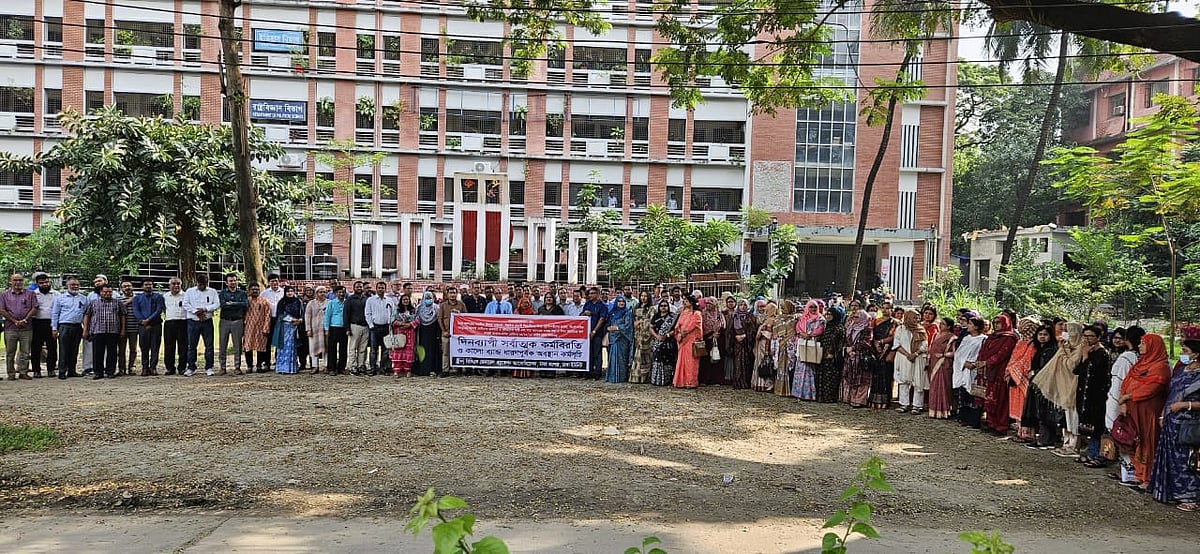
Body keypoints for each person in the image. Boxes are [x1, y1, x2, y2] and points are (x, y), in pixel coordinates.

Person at [1148, 338, 1200, 510]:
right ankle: (1170, 491)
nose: (1182, 354)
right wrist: (1164, 414)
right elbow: (1171, 394)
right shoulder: (1181, 370)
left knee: (1187, 460)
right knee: (1170, 458)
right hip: (1171, 420)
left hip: (1189, 423)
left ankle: (1191, 497)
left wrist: (1186, 405)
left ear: (1196, 354)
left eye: (1185, 351)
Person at [1118, 332, 1171, 492]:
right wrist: (1124, 400)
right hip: (1132, 409)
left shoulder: (1160, 366)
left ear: (1153, 347)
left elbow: (1152, 388)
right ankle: (1138, 474)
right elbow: (1126, 381)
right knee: (1134, 440)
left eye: (1143, 343)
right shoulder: (1141, 363)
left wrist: (1128, 396)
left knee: (1148, 442)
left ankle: (1148, 478)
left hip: (1148, 412)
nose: (1140, 346)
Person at [1033, 322, 1084, 455]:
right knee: (1064, 416)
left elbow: (1071, 365)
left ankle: (1074, 445)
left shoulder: (1080, 348)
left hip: (1072, 385)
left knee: (1073, 416)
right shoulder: (1066, 346)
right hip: (1061, 384)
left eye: (1071, 332)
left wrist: (1063, 351)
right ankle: (1066, 443)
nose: (1068, 334)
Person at [971, 313, 1019, 434]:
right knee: (990, 397)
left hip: (1000, 371)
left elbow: (1002, 354)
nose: (996, 325)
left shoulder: (1010, 338)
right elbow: (983, 350)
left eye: (999, 323)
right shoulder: (992, 337)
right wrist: (980, 362)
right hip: (989, 371)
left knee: (1000, 399)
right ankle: (991, 422)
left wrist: (986, 362)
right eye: (995, 323)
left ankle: (1001, 426)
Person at [1106, 327, 1142, 480]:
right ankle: (1129, 471)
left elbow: (1120, 380)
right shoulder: (1141, 357)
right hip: (1131, 399)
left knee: (1122, 433)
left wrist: (1117, 400)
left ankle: (1129, 471)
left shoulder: (1127, 357)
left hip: (1120, 397)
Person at [1075, 325, 1112, 463]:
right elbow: (1078, 370)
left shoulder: (1102, 353)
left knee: (1096, 426)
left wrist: (1085, 356)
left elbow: (1094, 372)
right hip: (1084, 393)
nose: (1086, 339)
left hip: (1097, 395)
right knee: (1085, 425)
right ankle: (1087, 452)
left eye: (1090, 336)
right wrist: (1084, 355)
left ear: (1097, 337)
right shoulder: (1087, 351)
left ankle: (1095, 454)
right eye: (1084, 336)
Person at [1022, 325, 1061, 450]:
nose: (1042, 337)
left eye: (1045, 334)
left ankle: (1045, 440)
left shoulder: (1050, 350)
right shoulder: (1040, 349)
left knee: (1045, 412)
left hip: (1046, 385)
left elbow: (1048, 368)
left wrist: (1035, 373)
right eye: (1040, 334)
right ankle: (1042, 438)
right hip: (1037, 384)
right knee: (1039, 412)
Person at [1004, 317, 1041, 440]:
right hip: (1014, 378)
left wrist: (1013, 369)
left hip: (1024, 379)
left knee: (1025, 407)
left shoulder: (1034, 344)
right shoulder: (1020, 342)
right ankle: (1020, 431)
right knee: (1016, 405)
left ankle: (1027, 434)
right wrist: (1010, 370)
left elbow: (1027, 361)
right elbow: (1013, 357)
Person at [81, 283, 125, 380]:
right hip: (97, 331)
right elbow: (87, 316)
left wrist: (122, 330)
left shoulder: (118, 303)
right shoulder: (93, 302)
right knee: (97, 353)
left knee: (112, 353)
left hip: (113, 331)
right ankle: (98, 372)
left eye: (110, 292)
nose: (108, 294)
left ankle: (110, 372)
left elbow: (122, 316)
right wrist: (85, 329)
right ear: (101, 292)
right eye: (105, 292)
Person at [1, 273, 37, 380]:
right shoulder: (4, 295)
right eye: (15, 280)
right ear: (10, 281)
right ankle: (11, 373)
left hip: (26, 328)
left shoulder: (30, 294)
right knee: (10, 352)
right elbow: (2, 310)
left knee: (25, 352)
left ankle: (23, 372)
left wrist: (24, 320)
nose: (18, 282)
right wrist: (15, 321)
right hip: (10, 328)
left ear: (23, 281)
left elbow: (34, 307)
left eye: (20, 280)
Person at [893, 309, 929, 414]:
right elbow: (897, 344)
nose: (917, 319)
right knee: (903, 381)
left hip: (917, 358)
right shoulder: (900, 329)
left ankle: (917, 406)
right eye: (914, 317)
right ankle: (904, 404)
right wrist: (907, 354)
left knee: (918, 382)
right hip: (903, 358)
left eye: (918, 317)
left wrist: (915, 354)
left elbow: (924, 345)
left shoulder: (921, 330)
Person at [183, 274, 219, 377]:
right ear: (196, 283)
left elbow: (216, 304)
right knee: (191, 345)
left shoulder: (212, 291)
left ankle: (209, 367)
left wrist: (205, 309)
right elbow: (186, 304)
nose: (202, 286)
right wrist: (196, 312)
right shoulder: (190, 291)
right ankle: (191, 367)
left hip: (207, 321)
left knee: (209, 345)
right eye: (200, 284)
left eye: (204, 284)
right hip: (193, 321)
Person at [51, 277, 87, 379]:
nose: (75, 286)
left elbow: (85, 314)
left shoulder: (83, 298)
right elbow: (55, 314)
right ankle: (62, 371)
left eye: (77, 285)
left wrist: (85, 328)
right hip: (64, 326)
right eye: (72, 285)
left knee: (74, 350)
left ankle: (72, 370)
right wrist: (54, 328)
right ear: (67, 285)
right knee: (63, 350)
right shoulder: (60, 298)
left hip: (77, 327)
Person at [951, 316, 986, 420]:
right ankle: (963, 417)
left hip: (975, 369)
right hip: (964, 368)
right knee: (964, 392)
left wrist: (974, 364)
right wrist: (964, 362)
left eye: (970, 324)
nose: (968, 326)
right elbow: (959, 353)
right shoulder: (966, 338)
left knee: (973, 394)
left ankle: (973, 418)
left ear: (976, 326)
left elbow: (982, 354)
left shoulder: (983, 339)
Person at [840, 308, 875, 408]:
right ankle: (851, 399)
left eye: (857, 317)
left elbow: (866, 342)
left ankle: (860, 401)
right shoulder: (851, 327)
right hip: (851, 357)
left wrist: (854, 348)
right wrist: (848, 349)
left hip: (862, 357)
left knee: (862, 380)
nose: (855, 318)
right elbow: (847, 340)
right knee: (851, 378)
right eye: (854, 316)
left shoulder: (867, 329)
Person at [791, 300, 825, 400]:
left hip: (812, 345)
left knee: (810, 368)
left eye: (815, 307)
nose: (813, 309)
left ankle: (809, 394)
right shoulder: (802, 318)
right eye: (811, 307)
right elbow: (798, 329)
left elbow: (820, 329)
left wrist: (809, 335)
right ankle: (798, 393)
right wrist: (802, 334)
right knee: (800, 368)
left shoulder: (820, 319)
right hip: (802, 344)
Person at [868, 305, 900, 410]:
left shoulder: (895, 323)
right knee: (876, 376)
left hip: (888, 350)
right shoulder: (876, 321)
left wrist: (882, 342)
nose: (885, 310)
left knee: (886, 376)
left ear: (891, 310)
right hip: (876, 350)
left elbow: (894, 337)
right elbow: (872, 334)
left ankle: (886, 401)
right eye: (883, 308)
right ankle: (874, 400)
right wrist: (876, 345)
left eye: (888, 308)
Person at [925, 317, 958, 418]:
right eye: (940, 323)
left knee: (943, 386)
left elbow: (954, 353)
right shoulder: (936, 335)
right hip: (933, 363)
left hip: (944, 364)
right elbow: (930, 349)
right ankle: (933, 410)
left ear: (949, 326)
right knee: (934, 386)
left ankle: (944, 411)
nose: (940, 325)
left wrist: (944, 355)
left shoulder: (952, 337)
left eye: (943, 324)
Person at [132, 280, 164, 376]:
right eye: (146, 284)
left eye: (150, 284)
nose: (148, 286)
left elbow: (159, 310)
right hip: (142, 326)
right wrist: (143, 321)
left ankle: (153, 367)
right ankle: (145, 368)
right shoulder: (137, 298)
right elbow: (136, 311)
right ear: (142, 286)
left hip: (156, 325)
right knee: (144, 347)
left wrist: (149, 320)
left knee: (155, 347)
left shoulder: (158, 297)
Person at [218, 273, 248, 375]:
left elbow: (245, 304)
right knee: (223, 345)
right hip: (225, 321)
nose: (233, 282)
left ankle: (237, 366)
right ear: (226, 282)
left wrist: (232, 303)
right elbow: (223, 305)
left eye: (235, 280)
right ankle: (222, 367)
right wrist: (237, 304)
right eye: (231, 281)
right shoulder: (222, 293)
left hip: (237, 321)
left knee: (237, 345)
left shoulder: (242, 293)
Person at [815, 306, 847, 403]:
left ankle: (830, 397)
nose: (828, 316)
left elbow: (841, 343)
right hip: (823, 354)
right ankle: (822, 397)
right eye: (827, 314)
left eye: (830, 314)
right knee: (823, 376)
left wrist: (833, 354)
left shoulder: (839, 328)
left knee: (831, 378)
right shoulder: (827, 326)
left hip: (833, 357)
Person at [366, 282, 397, 376]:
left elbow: (393, 313)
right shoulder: (370, 300)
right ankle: (373, 368)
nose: (381, 289)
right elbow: (368, 313)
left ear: (385, 289)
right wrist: (371, 325)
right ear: (376, 289)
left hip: (386, 327)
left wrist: (391, 324)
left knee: (386, 350)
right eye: (379, 288)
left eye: (382, 288)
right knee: (373, 349)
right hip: (375, 327)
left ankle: (383, 368)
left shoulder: (389, 300)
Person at [29, 273, 57, 378]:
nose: (44, 284)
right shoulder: (32, 294)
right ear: (37, 284)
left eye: (46, 282)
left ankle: (51, 369)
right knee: (36, 348)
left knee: (52, 348)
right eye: (41, 283)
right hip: (37, 323)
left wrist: (55, 326)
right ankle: (36, 370)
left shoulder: (56, 294)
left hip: (51, 323)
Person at [672, 295, 702, 389]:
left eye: (686, 300)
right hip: (682, 339)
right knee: (681, 361)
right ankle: (680, 381)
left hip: (692, 339)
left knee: (691, 362)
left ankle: (690, 382)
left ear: (691, 302)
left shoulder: (697, 313)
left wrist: (684, 332)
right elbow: (677, 326)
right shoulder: (683, 312)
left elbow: (694, 325)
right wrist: (679, 334)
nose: (684, 302)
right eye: (684, 300)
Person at [242, 283, 272, 371]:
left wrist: (266, 327)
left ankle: (259, 365)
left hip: (261, 327)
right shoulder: (246, 301)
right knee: (248, 346)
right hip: (248, 327)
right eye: (253, 289)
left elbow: (268, 315)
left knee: (261, 347)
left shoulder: (264, 301)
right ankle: (249, 366)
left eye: (257, 289)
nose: (255, 291)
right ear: (249, 291)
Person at [728, 298, 757, 389]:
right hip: (737, 343)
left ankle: (746, 382)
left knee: (746, 363)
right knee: (737, 363)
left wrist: (745, 336)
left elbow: (753, 330)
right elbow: (730, 330)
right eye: (741, 305)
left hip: (746, 343)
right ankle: (738, 382)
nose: (743, 307)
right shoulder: (734, 316)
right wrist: (735, 337)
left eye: (745, 305)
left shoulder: (750, 316)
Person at [438, 285, 467, 376]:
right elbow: (440, 319)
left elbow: (466, 318)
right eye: (450, 293)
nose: (452, 295)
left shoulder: (461, 305)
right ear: (447, 294)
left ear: (456, 294)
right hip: (446, 332)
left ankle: (457, 369)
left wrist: (459, 314)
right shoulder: (443, 305)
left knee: (458, 352)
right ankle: (445, 370)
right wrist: (444, 331)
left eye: (454, 293)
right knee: (445, 352)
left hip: (458, 334)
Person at [274, 287, 304, 374]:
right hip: (284, 327)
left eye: (291, 291)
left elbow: (302, 313)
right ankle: (282, 368)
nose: (290, 293)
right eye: (288, 291)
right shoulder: (282, 302)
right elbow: (280, 314)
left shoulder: (298, 301)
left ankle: (291, 368)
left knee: (292, 346)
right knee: (283, 347)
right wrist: (290, 319)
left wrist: (299, 320)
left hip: (295, 327)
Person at [605, 295, 634, 383]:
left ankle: (622, 377)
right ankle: (612, 377)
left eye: (623, 301)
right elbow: (607, 324)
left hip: (623, 338)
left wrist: (617, 328)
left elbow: (628, 326)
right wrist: (608, 328)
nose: (621, 303)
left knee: (622, 358)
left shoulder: (627, 313)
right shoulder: (612, 312)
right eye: (619, 301)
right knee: (612, 357)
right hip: (613, 338)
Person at [750, 301, 778, 393]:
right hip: (761, 344)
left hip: (765, 344)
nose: (765, 310)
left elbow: (770, 335)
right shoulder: (767, 319)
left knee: (764, 363)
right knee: (760, 362)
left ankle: (765, 384)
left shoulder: (772, 320)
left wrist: (762, 333)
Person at [161, 278, 187, 376]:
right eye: (173, 284)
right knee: (169, 346)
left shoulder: (186, 296)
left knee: (183, 347)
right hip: (169, 323)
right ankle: (170, 368)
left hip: (182, 322)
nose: (176, 286)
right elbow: (163, 309)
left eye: (178, 284)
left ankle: (182, 368)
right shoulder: (165, 296)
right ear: (169, 285)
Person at [772, 300, 798, 396]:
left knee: (790, 367)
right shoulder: (778, 319)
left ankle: (790, 389)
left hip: (790, 346)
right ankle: (779, 389)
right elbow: (775, 333)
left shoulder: (795, 319)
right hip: (780, 346)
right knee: (780, 367)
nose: (783, 309)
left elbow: (795, 332)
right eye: (781, 307)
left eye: (784, 307)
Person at [581, 287, 608, 380]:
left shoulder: (602, 305)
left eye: (593, 293)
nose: (590, 295)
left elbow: (602, 319)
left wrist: (594, 331)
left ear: (597, 294)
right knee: (588, 353)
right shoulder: (587, 304)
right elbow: (581, 316)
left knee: (597, 353)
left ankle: (597, 372)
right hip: (586, 333)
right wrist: (585, 313)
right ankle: (588, 372)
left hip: (597, 333)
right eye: (590, 293)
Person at [258, 275, 284, 371]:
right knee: (267, 342)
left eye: (276, 281)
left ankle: (279, 361)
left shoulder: (283, 292)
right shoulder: (264, 293)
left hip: (280, 319)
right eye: (272, 281)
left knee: (279, 341)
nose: (274, 283)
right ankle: (267, 363)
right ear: (269, 282)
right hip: (268, 320)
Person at [649, 300, 678, 386]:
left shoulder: (672, 317)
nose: (663, 307)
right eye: (661, 306)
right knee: (657, 359)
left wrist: (667, 335)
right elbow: (651, 328)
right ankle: (656, 380)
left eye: (665, 305)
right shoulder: (656, 316)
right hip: (657, 342)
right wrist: (657, 336)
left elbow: (676, 329)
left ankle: (667, 379)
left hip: (668, 343)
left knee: (668, 361)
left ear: (668, 307)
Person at [700, 297, 727, 386]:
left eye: (710, 304)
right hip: (707, 340)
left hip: (718, 340)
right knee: (705, 360)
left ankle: (716, 380)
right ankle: (705, 379)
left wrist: (717, 333)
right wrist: (710, 335)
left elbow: (723, 325)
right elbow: (701, 327)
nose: (708, 305)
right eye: (707, 303)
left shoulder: (719, 314)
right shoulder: (703, 314)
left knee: (717, 359)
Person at [414, 291, 442, 377]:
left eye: (430, 298)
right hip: (422, 333)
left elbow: (439, 320)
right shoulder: (419, 308)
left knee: (433, 351)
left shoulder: (437, 308)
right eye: (426, 298)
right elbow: (416, 319)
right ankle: (423, 370)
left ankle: (434, 369)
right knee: (423, 351)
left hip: (433, 333)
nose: (428, 300)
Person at [344, 281, 370, 375]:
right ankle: (353, 366)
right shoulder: (349, 300)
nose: (359, 288)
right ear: (354, 288)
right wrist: (347, 328)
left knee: (363, 348)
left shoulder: (367, 299)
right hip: (354, 326)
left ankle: (361, 365)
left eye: (361, 287)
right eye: (357, 287)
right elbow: (346, 315)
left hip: (365, 326)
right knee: (353, 348)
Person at [390, 294, 418, 376]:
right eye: (404, 299)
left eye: (407, 299)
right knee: (398, 350)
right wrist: (401, 323)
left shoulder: (413, 310)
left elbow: (417, 320)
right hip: (399, 333)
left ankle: (408, 370)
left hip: (410, 333)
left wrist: (410, 324)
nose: (406, 301)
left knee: (408, 351)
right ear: (401, 301)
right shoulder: (397, 310)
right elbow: (392, 321)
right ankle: (397, 370)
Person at [324, 286, 349, 375]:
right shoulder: (331, 303)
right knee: (332, 349)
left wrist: (348, 328)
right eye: (339, 292)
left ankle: (341, 367)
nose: (341, 294)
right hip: (333, 328)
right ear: (336, 293)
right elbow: (327, 316)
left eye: (343, 292)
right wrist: (326, 329)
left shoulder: (347, 302)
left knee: (343, 349)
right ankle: (331, 368)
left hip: (344, 329)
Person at [304, 287, 329, 373]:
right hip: (314, 329)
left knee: (326, 348)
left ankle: (326, 366)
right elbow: (307, 317)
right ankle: (315, 366)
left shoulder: (329, 303)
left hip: (326, 329)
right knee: (313, 348)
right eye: (320, 292)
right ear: (316, 293)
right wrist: (308, 329)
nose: (322, 294)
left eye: (324, 292)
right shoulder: (311, 303)